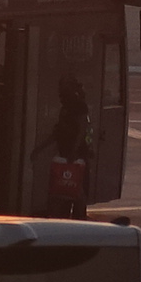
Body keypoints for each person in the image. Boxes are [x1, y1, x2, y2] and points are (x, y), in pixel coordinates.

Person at [49, 75, 95, 220]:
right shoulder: (66, 107)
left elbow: (82, 130)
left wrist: (74, 151)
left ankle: (79, 218)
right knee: (64, 188)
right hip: (66, 153)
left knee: (78, 190)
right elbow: (58, 132)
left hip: (76, 155)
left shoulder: (79, 106)